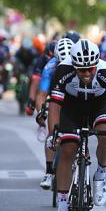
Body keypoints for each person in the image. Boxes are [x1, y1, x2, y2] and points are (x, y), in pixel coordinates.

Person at [47, 40, 106, 211]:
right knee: (67, 149)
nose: (87, 74)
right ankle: (63, 210)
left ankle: (100, 175)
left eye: (90, 69)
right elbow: (55, 106)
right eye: (81, 70)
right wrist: (53, 134)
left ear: (96, 64)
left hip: (99, 106)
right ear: (74, 66)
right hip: (71, 109)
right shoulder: (63, 70)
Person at [35, 37, 75, 190]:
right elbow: (42, 94)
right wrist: (41, 112)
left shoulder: (80, 65)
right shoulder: (50, 67)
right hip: (56, 95)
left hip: (74, 97)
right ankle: (49, 171)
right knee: (52, 134)